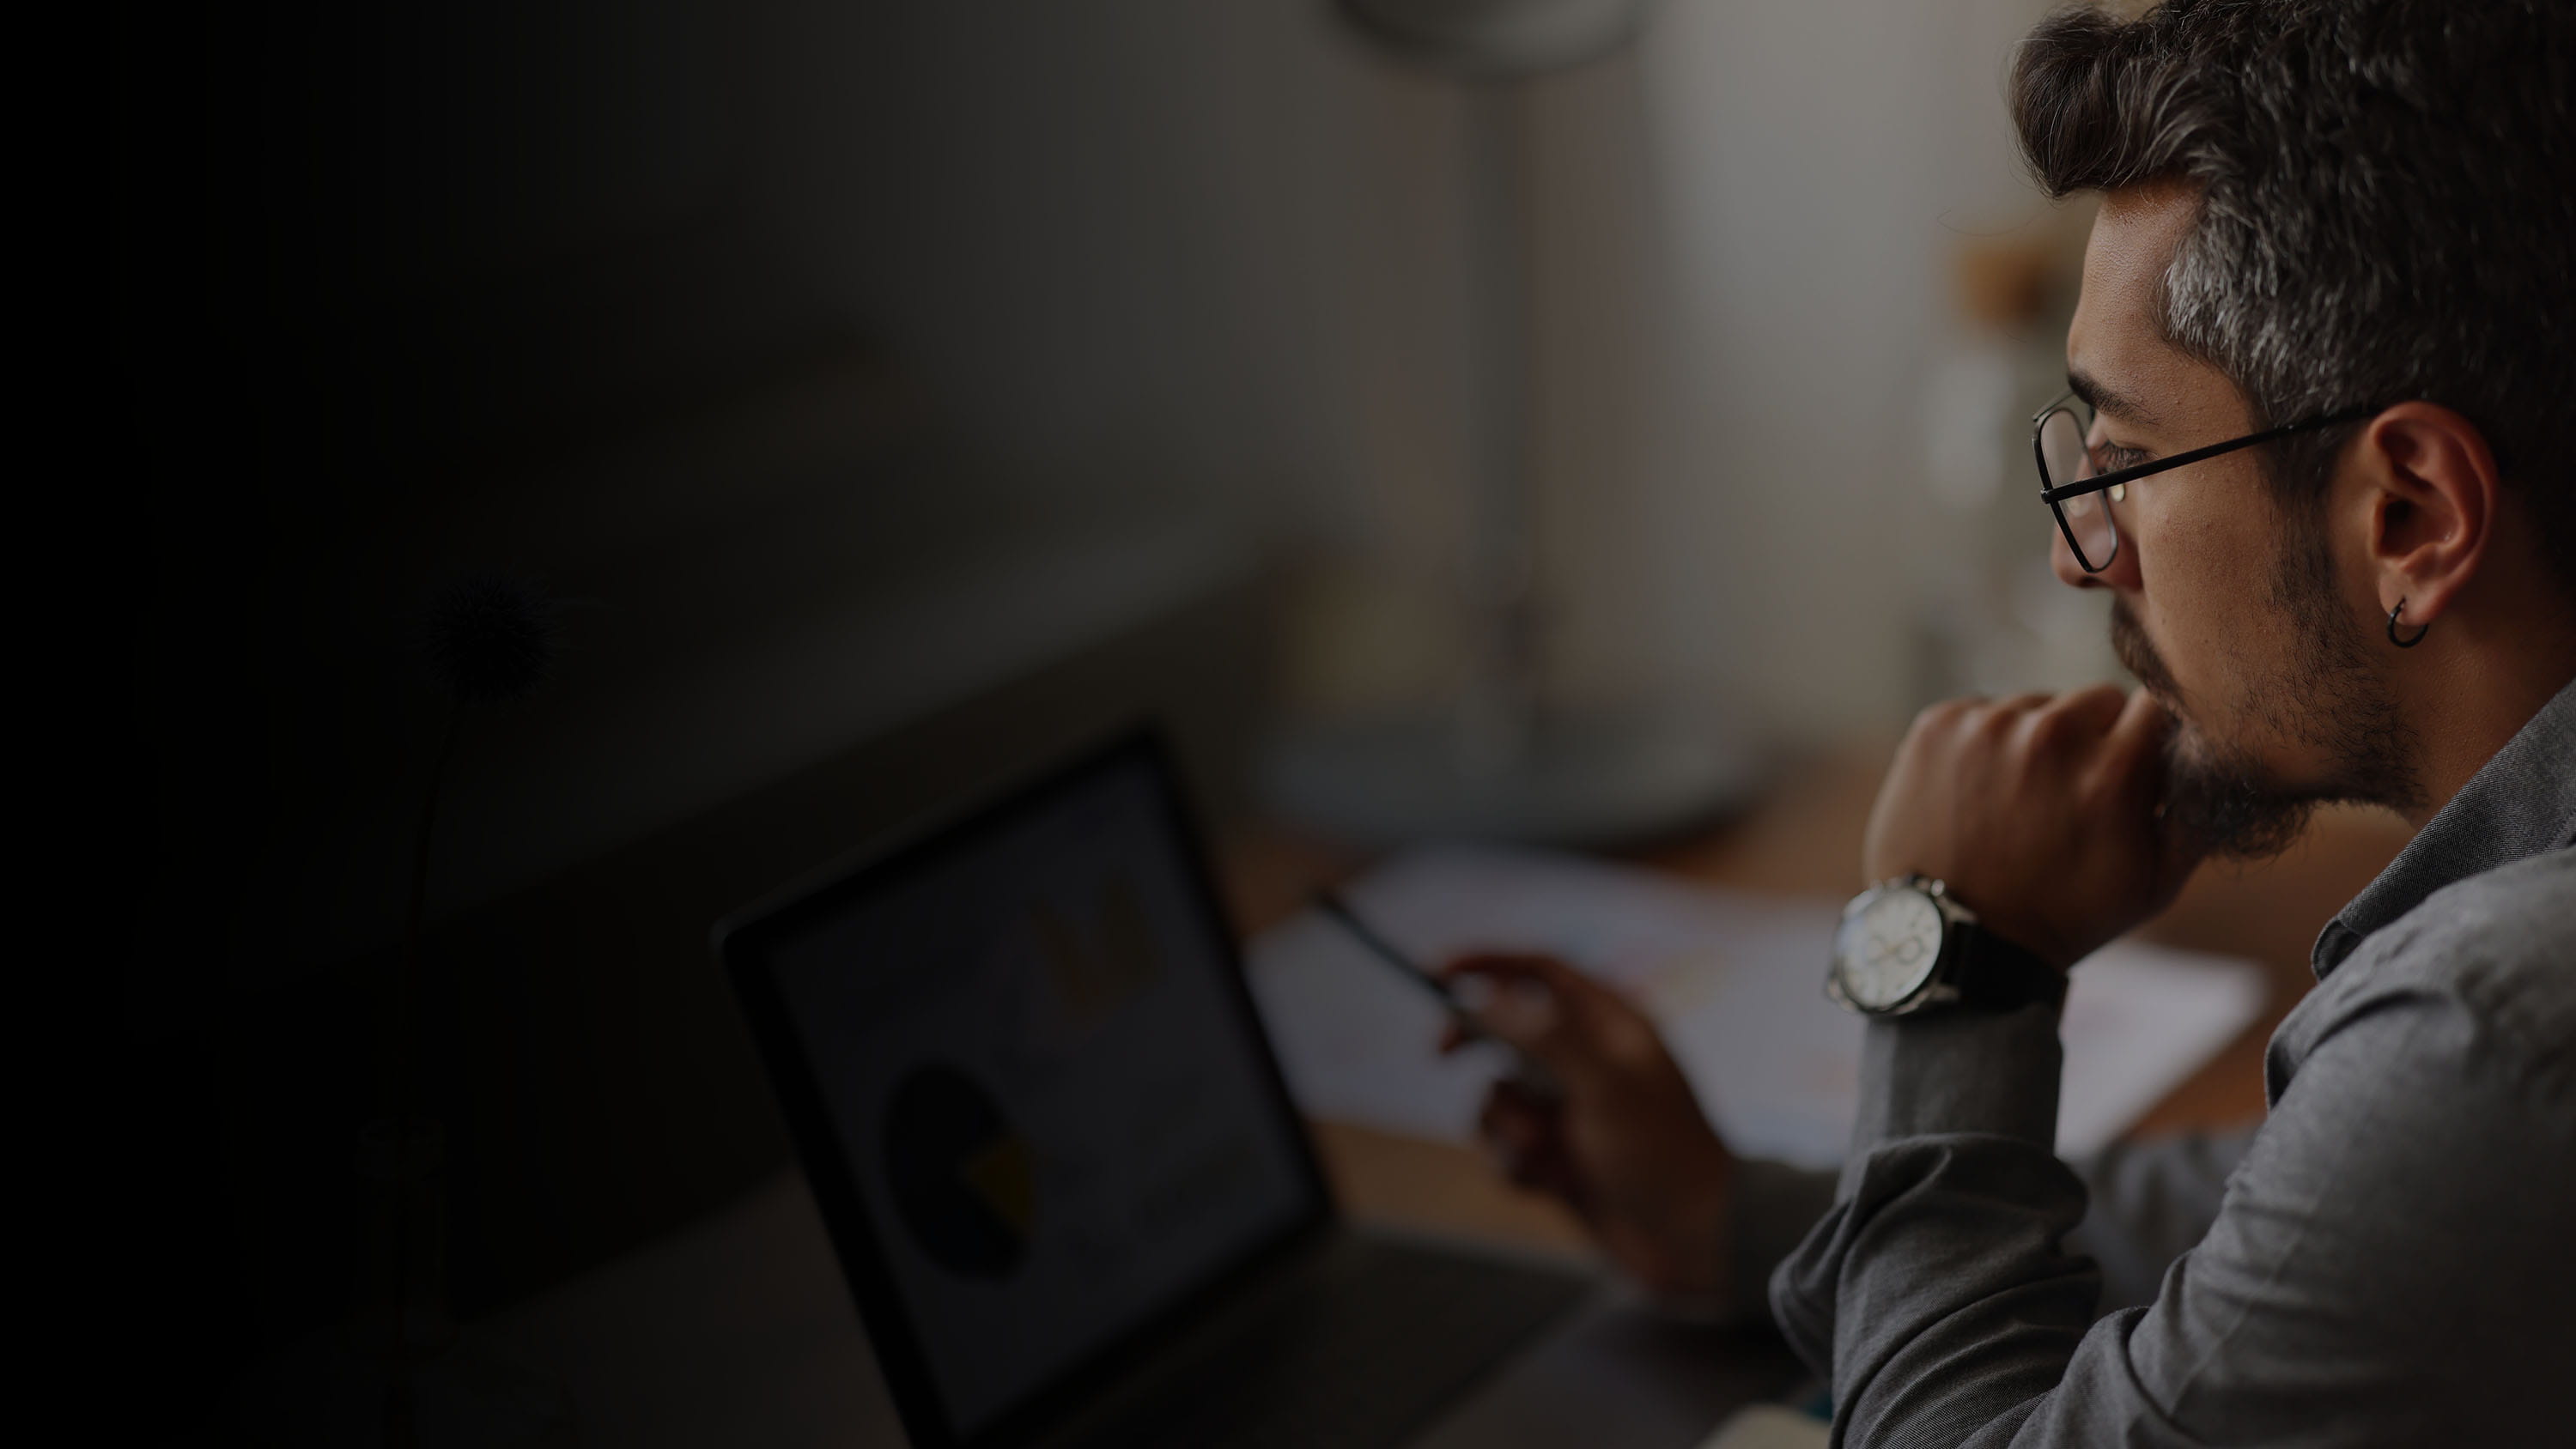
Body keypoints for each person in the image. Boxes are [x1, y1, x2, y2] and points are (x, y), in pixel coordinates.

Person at [1441, 2, 2576, 1443]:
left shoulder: (2498, 1019)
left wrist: (1957, 961)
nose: (2079, 553)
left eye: (2129, 459)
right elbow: (2306, 1219)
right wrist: (1741, 1218)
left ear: (2409, 514)